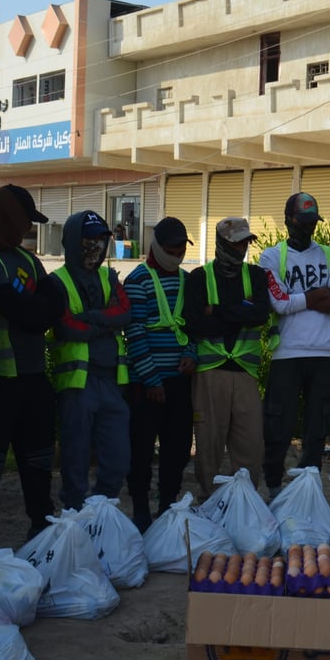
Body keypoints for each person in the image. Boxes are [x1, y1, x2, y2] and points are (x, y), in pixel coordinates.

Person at [0, 186, 66, 552]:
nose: (26, 231)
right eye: (24, 221)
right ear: (6, 216)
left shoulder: (26, 258)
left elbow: (55, 302)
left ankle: (40, 525)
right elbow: (28, 312)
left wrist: (37, 308)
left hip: (33, 375)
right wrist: (37, 307)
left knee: (38, 456)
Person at [259, 192, 330, 498]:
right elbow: (279, 303)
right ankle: (273, 486)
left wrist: (305, 300)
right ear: (288, 220)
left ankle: (307, 489)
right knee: (278, 427)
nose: (308, 228)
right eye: (302, 221)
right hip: (288, 353)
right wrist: (315, 296)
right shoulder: (272, 257)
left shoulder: (328, 255)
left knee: (316, 429)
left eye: (312, 222)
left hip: (323, 352)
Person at [183, 217, 270, 499]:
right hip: (210, 372)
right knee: (209, 443)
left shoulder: (256, 276)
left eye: (246, 242)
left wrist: (217, 311)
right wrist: (237, 314)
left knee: (250, 444)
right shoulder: (199, 278)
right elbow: (194, 323)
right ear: (222, 244)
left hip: (245, 372)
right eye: (236, 243)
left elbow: (259, 315)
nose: (242, 248)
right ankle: (211, 500)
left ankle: (245, 502)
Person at [52, 210, 131, 513]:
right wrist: (106, 324)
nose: (96, 246)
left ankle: (102, 512)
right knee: (75, 457)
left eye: (102, 239)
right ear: (73, 241)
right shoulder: (58, 282)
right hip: (77, 384)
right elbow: (66, 328)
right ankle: (74, 516)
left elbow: (125, 312)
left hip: (111, 380)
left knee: (118, 457)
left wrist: (91, 319)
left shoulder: (108, 276)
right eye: (89, 240)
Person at [124, 216, 195, 529]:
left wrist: (191, 354)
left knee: (177, 448)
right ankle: (140, 508)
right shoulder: (138, 280)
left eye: (182, 248)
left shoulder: (187, 280)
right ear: (157, 247)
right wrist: (151, 379)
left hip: (180, 380)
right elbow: (135, 333)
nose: (177, 253)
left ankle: (167, 504)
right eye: (171, 248)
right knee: (140, 450)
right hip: (146, 383)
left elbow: (192, 326)